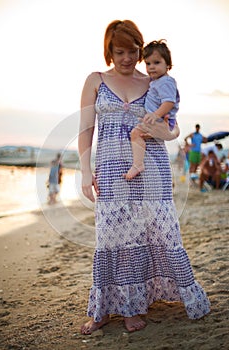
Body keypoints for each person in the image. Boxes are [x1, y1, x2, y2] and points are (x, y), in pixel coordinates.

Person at [78, 19, 210, 335]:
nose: (126, 58)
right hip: (111, 169)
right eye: (119, 51)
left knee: (149, 235)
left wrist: (168, 130)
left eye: (133, 51)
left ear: (141, 50)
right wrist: (85, 170)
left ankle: (133, 307)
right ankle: (105, 309)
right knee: (111, 237)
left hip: (151, 170)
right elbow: (85, 129)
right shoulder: (95, 80)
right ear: (109, 51)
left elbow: (174, 125)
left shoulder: (153, 82)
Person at [124, 39, 180, 180]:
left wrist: (155, 115)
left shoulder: (165, 82)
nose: (151, 67)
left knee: (135, 133)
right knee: (138, 134)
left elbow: (169, 102)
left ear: (168, 64)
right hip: (159, 119)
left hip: (162, 120)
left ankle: (138, 164)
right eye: (148, 64)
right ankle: (138, 163)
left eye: (156, 63)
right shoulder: (157, 82)